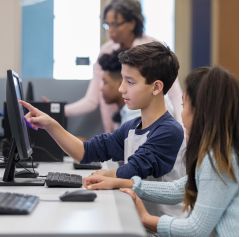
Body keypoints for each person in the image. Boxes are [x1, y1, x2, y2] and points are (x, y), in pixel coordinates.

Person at [84, 66, 239, 237]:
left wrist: (145, 218)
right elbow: (179, 188)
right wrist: (123, 183)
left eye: (183, 104)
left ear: (200, 111)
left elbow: (195, 230)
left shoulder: (218, 160)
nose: (182, 112)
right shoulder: (219, 153)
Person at [20, 42, 184, 181]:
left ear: (156, 87)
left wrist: (107, 175)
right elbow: (85, 152)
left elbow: (133, 170)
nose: (121, 88)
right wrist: (51, 125)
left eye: (130, 82)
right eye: (122, 80)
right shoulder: (131, 128)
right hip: (136, 215)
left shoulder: (169, 131)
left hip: (159, 218)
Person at [65, 0, 183, 133]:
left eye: (116, 24)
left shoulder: (152, 48)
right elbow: (91, 100)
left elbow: (175, 94)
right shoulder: (106, 51)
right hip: (117, 124)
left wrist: (181, 128)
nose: (110, 31)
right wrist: (58, 110)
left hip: (147, 122)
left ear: (132, 23)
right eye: (107, 25)